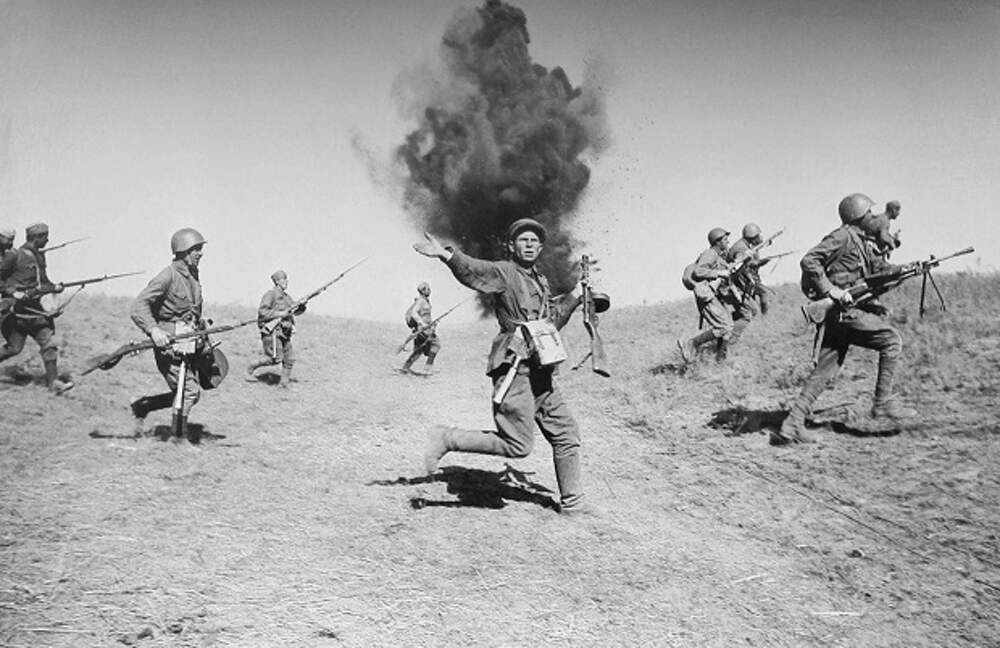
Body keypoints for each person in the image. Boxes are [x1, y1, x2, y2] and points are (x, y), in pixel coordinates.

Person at [414, 218, 587, 514]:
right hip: (515, 365)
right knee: (518, 445)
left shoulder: (540, 281)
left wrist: (575, 298)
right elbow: (475, 271)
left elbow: (549, 325)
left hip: (541, 368)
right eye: (523, 240)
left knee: (566, 433)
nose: (529, 245)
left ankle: (573, 504)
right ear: (512, 246)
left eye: (534, 241)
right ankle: (446, 438)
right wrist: (447, 256)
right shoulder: (504, 272)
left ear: (540, 248)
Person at [773, 193, 916, 445]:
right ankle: (882, 402)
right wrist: (832, 291)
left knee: (825, 370)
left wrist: (905, 271)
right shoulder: (842, 237)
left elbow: (871, 277)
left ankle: (792, 424)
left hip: (843, 314)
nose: (874, 216)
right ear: (858, 215)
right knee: (891, 340)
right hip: (843, 312)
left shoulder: (861, 242)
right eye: (869, 212)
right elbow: (810, 261)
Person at [129, 227, 208, 442]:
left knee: (185, 390)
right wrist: (154, 330)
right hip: (170, 344)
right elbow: (138, 306)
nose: (200, 253)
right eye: (196, 249)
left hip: (189, 341)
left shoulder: (193, 275)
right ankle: (178, 439)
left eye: (200, 249)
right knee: (189, 391)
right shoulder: (167, 276)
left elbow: (191, 310)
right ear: (183, 251)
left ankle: (143, 406)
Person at [0, 222, 73, 394]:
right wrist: (13, 292)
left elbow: (43, 283)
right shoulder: (14, 256)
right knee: (14, 348)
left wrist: (55, 287)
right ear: (37, 237)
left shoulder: (39, 257)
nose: (47, 240)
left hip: (35, 311)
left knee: (49, 343)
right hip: (15, 312)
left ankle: (54, 383)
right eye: (45, 237)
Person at [677, 227, 739, 363]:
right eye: (725, 239)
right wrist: (719, 273)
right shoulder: (710, 254)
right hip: (705, 294)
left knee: (728, 327)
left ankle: (720, 361)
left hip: (711, 294)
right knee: (723, 327)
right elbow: (699, 272)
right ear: (717, 242)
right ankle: (691, 343)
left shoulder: (717, 256)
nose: (728, 242)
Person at [245, 269, 304, 386]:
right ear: (277, 281)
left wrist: (302, 305)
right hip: (272, 332)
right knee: (273, 359)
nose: (286, 282)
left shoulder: (287, 297)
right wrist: (280, 313)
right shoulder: (270, 294)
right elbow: (263, 312)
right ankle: (250, 369)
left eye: (286, 279)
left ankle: (283, 385)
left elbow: (295, 311)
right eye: (283, 280)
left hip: (285, 333)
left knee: (289, 359)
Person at [726, 222, 771, 320]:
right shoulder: (741, 248)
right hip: (740, 281)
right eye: (758, 236)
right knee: (763, 295)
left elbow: (755, 248)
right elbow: (746, 264)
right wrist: (761, 262)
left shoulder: (746, 244)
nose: (760, 238)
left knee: (750, 309)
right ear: (753, 237)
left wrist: (766, 244)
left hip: (745, 280)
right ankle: (765, 319)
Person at [401, 281, 440, 374]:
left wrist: (433, 323)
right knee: (436, 345)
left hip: (426, 328)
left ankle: (405, 367)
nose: (429, 291)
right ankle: (427, 368)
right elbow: (414, 312)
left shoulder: (425, 301)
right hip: (423, 329)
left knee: (419, 350)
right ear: (422, 291)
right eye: (427, 289)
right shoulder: (421, 301)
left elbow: (426, 315)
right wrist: (422, 323)